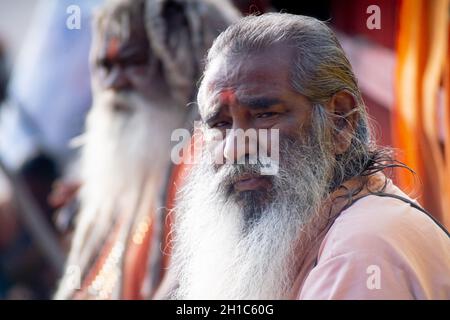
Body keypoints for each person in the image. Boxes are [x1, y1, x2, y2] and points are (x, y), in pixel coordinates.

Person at [170, 13, 450, 299]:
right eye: (220, 124)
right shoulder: (313, 234)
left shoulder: (359, 250)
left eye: (265, 115)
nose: (234, 149)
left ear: (340, 120)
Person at [55, 0, 240, 299]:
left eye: (134, 62)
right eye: (106, 66)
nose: (114, 84)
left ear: (186, 62)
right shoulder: (134, 173)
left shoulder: (211, 164)